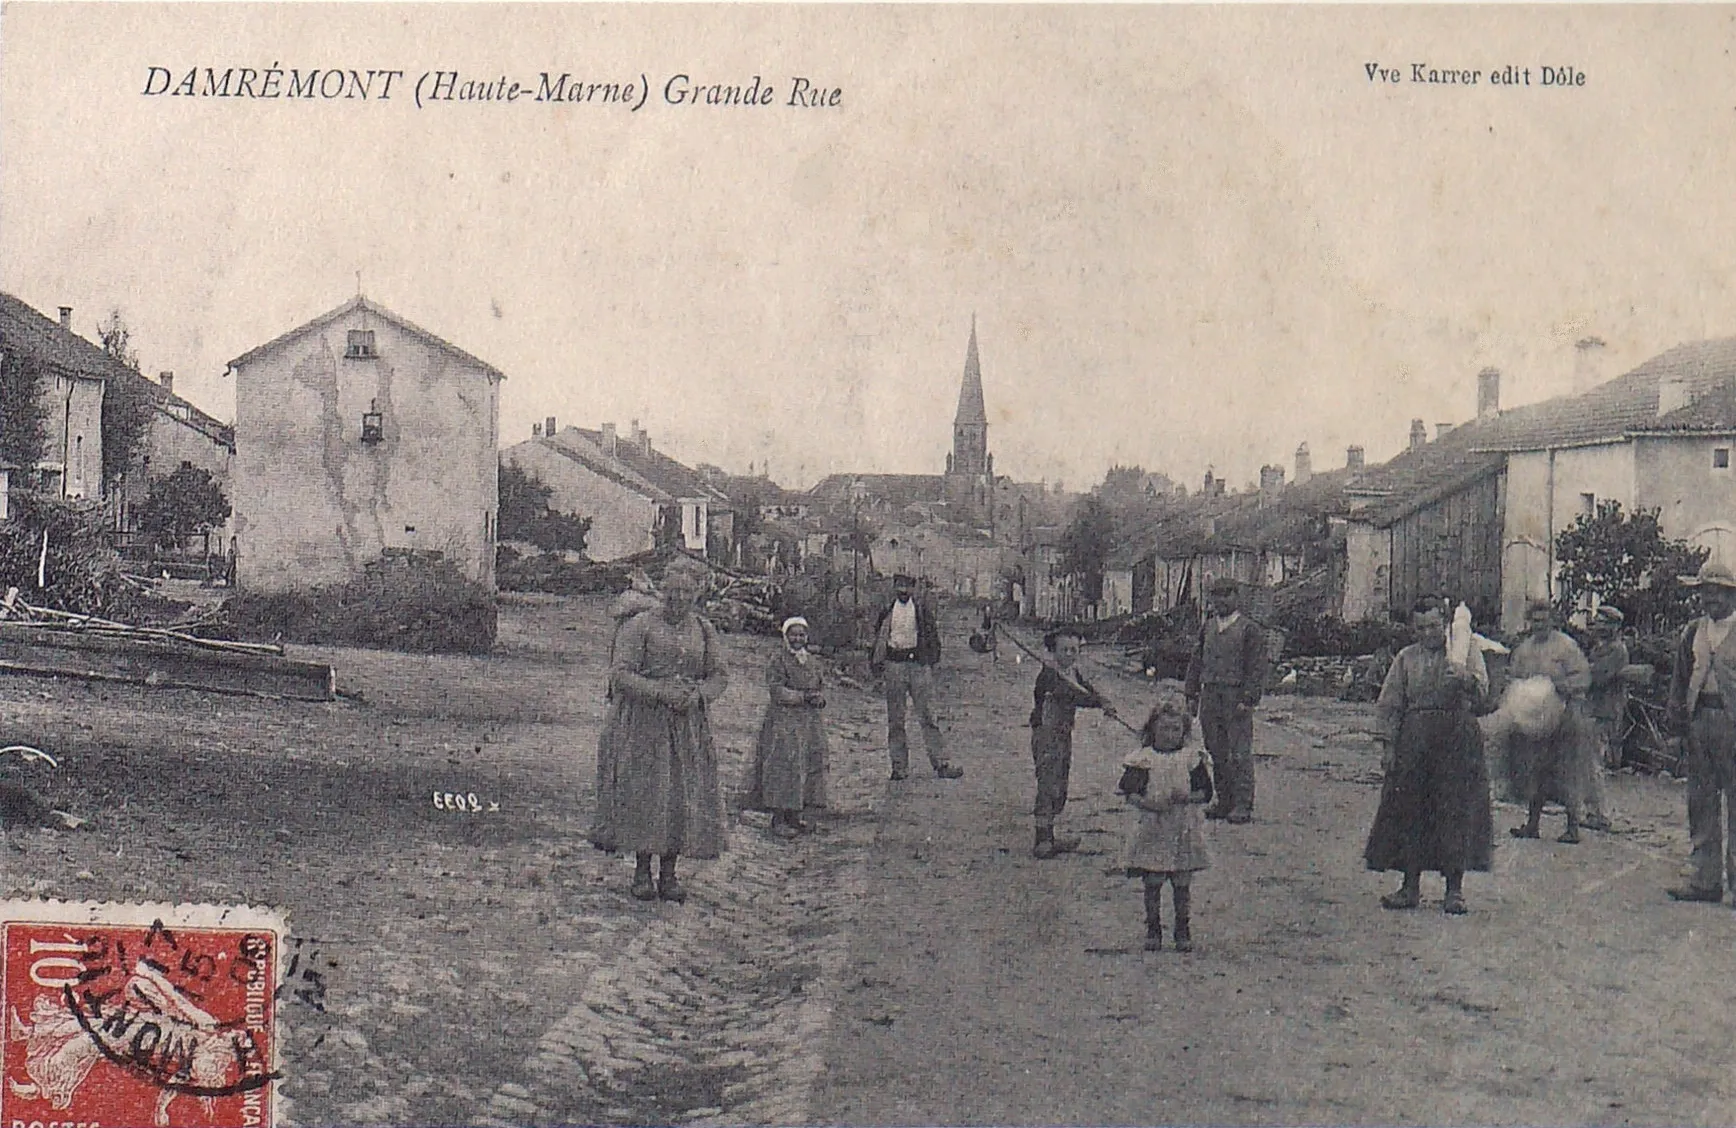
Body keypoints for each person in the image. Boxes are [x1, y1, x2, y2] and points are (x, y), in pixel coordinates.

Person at [590, 555, 729, 902]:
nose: (679, 599)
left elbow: (719, 675)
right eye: (673, 591)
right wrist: (660, 692)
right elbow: (620, 674)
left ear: (697, 595)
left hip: (688, 727)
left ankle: (669, 874)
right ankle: (641, 872)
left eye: (687, 592)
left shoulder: (703, 629)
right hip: (645, 724)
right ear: (662, 590)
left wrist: (699, 696)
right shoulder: (640, 626)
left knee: (681, 797)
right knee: (648, 794)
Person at [1363, 597, 1496, 914]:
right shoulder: (1406, 658)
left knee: (1455, 810)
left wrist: (1465, 679)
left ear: (1446, 623)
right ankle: (1409, 887)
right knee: (1409, 810)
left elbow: (1484, 692)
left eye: (1434, 626)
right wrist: (1388, 746)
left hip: (1456, 739)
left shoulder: (1464, 651)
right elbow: (1390, 704)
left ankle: (1454, 890)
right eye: (1420, 627)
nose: (1427, 633)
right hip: (1415, 740)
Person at [1665, 560, 1736, 903]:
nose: (1710, 599)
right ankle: (1705, 881)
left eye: (1717, 592)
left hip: (1732, 723)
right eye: (1705, 592)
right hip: (1699, 721)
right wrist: (1677, 728)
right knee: (1701, 802)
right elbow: (1679, 682)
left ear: (1731, 594)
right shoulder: (1693, 631)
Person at [1119, 697, 1212, 951]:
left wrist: (1187, 798)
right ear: (1152, 730)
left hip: (1183, 827)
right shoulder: (1143, 759)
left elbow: (1206, 792)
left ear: (1184, 732)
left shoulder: (1191, 759)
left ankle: (1182, 928)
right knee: (1153, 880)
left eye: (1176, 730)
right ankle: (1153, 928)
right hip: (1153, 827)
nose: (1170, 735)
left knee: (1182, 881)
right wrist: (1148, 804)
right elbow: (1130, 793)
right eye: (1163, 729)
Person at [1507, 599, 1595, 844]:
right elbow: (1513, 677)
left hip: (1564, 717)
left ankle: (1573, 827)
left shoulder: (1566, 647)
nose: (1539, 625)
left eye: (1543, 620)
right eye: (1535, 620)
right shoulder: (1524, 649)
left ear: (1552, 621)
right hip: (1535, 721)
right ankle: (1532, 824)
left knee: (1566, 770)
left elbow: (1584, 678)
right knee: (1535, 770)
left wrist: (1562, 686)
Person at [1185, 577, 1269, 823]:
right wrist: (1191, 694)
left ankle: (1243, 804)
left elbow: (1257, 668)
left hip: (1236, 697)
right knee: (1215, 750)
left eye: (1225, 595)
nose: (1220, 600)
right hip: (1210, 694)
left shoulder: (1249, 629)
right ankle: (1224, 800)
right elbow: (1196, 661)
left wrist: (1249, 699)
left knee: (1239, 752)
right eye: (1216, 595)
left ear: (1236, 596)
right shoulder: (1208, 627)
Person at [1028, 626, 1117, 858]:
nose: (1070, 654)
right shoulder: (1049, 674)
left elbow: (1085, 688)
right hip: (1046, 734)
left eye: (1074, 650)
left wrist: (1103, 699)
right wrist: (1098, 703)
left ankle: (1051, 834)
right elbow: (1072, 694)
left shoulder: (1072, 671)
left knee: (1060, 784)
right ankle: (1043, 839)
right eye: (1065, 650)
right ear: (1053, 651)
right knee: (1048, 783)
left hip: (1063, 733)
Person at [743, 616, 829, 839]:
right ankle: (778, 817)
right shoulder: (778, 661)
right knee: (784, 766)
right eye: (793, 634)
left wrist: (819, 698)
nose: (797, 639)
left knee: (806, 764)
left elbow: (820, 685)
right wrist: (801, 697)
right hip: (784, 721)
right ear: (785, 636)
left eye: (801, 635)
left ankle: (795, 814)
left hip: (809, 722)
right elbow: (776, 689)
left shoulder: (812, 662)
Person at [871, 573, 963, 781]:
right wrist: (879, 666)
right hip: (894, 666)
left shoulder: (921, 612)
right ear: (894, 587)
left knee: (928, 716)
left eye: (907, 587)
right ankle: (899, 767)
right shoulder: (887, 612)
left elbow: (933, 638)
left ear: (914, 589)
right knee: (896, 719)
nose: (903, 591)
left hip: (918, 667)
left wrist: (928, 662)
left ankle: (941, 763)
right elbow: (877, 640)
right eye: (899, 586)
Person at [1582, 604, 1630, 832]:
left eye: (1603, 622)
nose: (1597, 625)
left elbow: (1598, 678)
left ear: (1614, 626)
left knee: (1594, 762)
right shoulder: (1601, 648)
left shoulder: (1616, 651)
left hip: (1604, 711)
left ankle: (1599, 814)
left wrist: (1585, 671)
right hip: (1594, 709)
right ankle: (1593, 811)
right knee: (1590, 761)